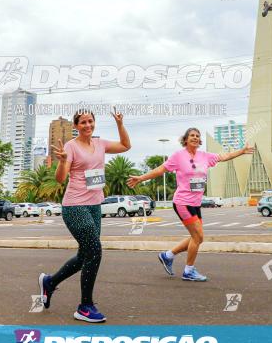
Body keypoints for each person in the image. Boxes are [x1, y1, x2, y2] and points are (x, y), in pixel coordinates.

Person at [38, 108, 130, 323]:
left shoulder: (100, 144)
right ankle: (85, 306)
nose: (87, 125)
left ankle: (50, 282)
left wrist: (119, 124)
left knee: (84, 256)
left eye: (90, 121)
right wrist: (61, 161)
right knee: (95, 251)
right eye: (83, 122)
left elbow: (126, 146)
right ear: (76, 126)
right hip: (75, 206)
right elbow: (60, 179)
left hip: (94, 206)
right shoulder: (70, 147)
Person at [128, 128, 252, 281]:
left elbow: (225, 156)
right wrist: (141, 178)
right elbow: (161, 169)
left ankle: (167, 255)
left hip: (196, 203)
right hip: (182, 202)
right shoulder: (178, 156)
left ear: (200, 141)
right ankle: (188, 271)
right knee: (198, 236)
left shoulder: (205, 156)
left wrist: (242, 151)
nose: (195, 138)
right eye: (192, 135)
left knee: (197, 237)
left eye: (197, 136)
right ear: (185, 139)